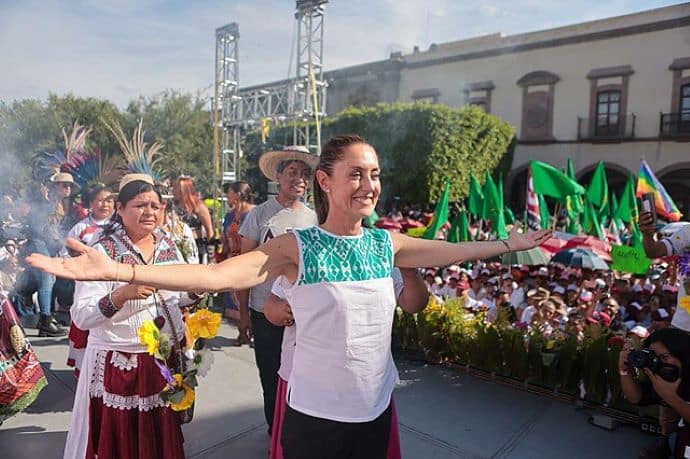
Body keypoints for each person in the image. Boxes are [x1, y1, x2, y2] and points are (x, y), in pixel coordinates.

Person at [28, 134, 550, 459]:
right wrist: (119, 268)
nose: (369, 185)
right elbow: (225, 276)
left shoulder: (386, 243)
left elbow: (449, 250)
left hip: (375, 410)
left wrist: (510, 243)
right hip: (314, 417)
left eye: (375, 175)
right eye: (356, 174)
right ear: (325, 181)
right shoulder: (296, 246)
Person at [61, 174, 200, 459]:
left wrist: (196, 291)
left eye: (154, 205)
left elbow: (176, 298)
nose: (149, 212)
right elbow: (82, 316)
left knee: (157, 444)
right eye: (140, 205)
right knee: (122, 445)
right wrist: (122, 294)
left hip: (160, 364)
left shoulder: (169, 247)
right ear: (120, 209)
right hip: (118, 366)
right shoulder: (103, 252)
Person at [263, 266, 429, 459]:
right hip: (307, 386)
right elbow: (272, 303)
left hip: (366, 386)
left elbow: (413, 304)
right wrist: (281, 311)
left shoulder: (382, 255)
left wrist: (411, 274)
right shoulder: (304, 253)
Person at [237, 146, 319, 433]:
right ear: (279, 176)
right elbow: (243, 268)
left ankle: (299, 431)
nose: (298, 179)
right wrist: (244, 313)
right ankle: (277, 432)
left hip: (304, 314)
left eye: (304, 174)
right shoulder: (259, 215)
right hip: (264, 312)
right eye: (292, 172)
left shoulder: (315, 219)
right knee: (271, 376)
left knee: (304, 376)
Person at [61, 183, 115, 377]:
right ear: (90, 203)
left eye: (109, 200)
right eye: (100, 200)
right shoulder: (80, 228)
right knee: (88, 326)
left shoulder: (119, 226)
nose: (105, 204)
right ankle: (86, 373)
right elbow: (65, 253)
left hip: (113, 284)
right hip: (88, 286)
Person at [619, 328, 690, 458]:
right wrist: (624, 370)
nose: (658, 362)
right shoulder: (664, 375)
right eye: (654, 357)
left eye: (664, 357)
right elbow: (636, 398)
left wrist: (672, 397)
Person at [220, 181, 255, 325]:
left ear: (238, 194)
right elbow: (225, 237)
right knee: (234, 296)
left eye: (229, 192)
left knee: (250, 297)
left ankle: (252, 330)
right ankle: (240, 332)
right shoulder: (230, 215)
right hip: (233, 261)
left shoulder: (254, 213)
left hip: (250, 260)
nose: (227, 196)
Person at [172, 176, 214, 263]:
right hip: (177, 245)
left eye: (176, 187)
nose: (173, 189)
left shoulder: (198, 206)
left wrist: (211, 254)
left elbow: (209, 229)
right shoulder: (173, 205)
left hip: (195, 246)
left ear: (183, 190)